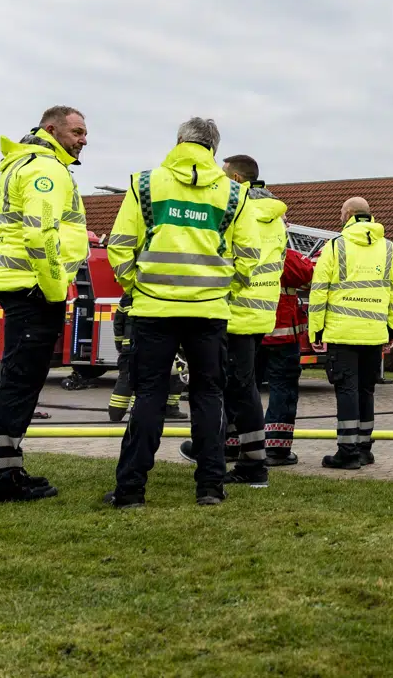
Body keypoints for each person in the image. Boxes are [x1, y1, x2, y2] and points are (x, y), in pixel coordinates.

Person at [102, 118, 259, 508]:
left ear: (178, 142)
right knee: (208, 396)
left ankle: (131, 490)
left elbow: (120, 247)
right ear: (214, 150)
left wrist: (136, 287)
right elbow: (250, 256)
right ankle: (210, 487)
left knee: (150, 395)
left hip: (153, 308)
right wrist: (224, 289)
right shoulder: (235, 194)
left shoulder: (144, 184)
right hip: (208, 312)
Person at [0, 106, 90, 504]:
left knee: (19, 381)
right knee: (21, 383)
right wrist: (56, 288)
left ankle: (6, 469)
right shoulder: (46, 169)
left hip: (20, 284)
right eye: (76, 131)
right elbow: (40, 235)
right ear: (51, 129)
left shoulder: (20, 163)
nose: (83, 139)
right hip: (34, 288)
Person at [180, 155, 287, 489]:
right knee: (240, 387)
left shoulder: (238, 211)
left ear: (238, 179)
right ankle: (220, 449)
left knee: (238, 390)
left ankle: (253, 465)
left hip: (233, 310)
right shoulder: (275, 218)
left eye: (225, 176)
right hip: (260, 312)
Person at [308, 197, 393, 469]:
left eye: (341, 212)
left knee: (347, 390)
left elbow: (319, 292)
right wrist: (391, 329)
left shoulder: (335, 246)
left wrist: (316, 330)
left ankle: (348, 451)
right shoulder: (390, 249)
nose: (339, 216)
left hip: (342, 333)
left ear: (349, 214)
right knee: (366, 390)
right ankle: (364, 448)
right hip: (375, 333)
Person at [261, 246, 315, 466]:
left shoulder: (237, 245)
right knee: (283, 389)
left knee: (241, 389)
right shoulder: (281, 253)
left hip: (244, 332)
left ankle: (234, 443)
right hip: (280, 334)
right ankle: (276, 448)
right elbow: (308, 273)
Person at [106, 292, 187, 423]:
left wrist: (120, 343)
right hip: (154, 344)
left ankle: (115, 413)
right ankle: (161, 409)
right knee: (168, 376)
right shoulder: (161, 293)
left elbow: (118, 321)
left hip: (130, 345)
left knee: (126, 378)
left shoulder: (128, 296)